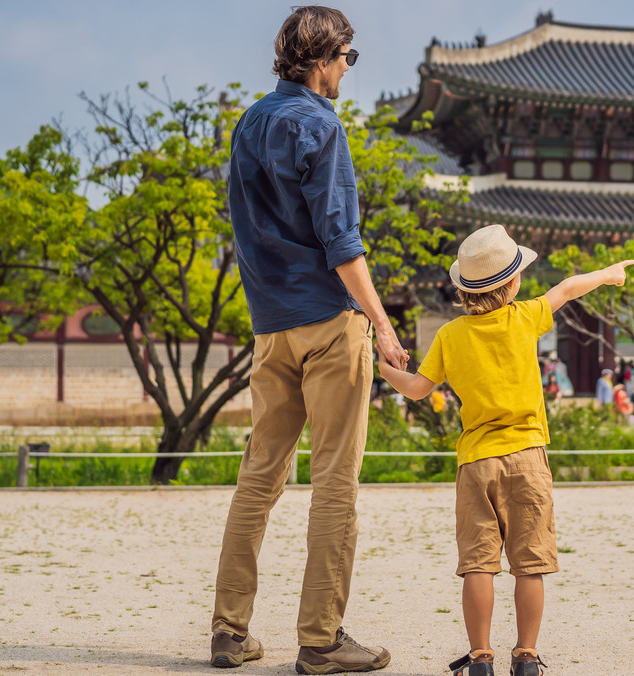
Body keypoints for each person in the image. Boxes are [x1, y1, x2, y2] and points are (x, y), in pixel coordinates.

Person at [211, 7, 403, 673]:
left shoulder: (250, 122)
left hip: (270, 326)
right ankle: (321, 640)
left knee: (260, 476)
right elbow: (341, 241)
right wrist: (381, 323)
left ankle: (229, 633)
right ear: (325, 58)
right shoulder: (322, 124)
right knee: (335, 481)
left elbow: (242, 225)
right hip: (327, 320)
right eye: (348, 56)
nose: (349, 68)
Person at [377, 223, 634, 676]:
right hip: (527, 457)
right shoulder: (526, 316)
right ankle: (527, 656)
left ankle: (479, 659)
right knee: (528, 563)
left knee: (478, 563)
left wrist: (385, 370)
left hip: (476, 460)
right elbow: (569, 288)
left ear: (463, 290)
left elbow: (418, 389)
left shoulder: (451, 335)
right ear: (513, 283)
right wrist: (609, 273)